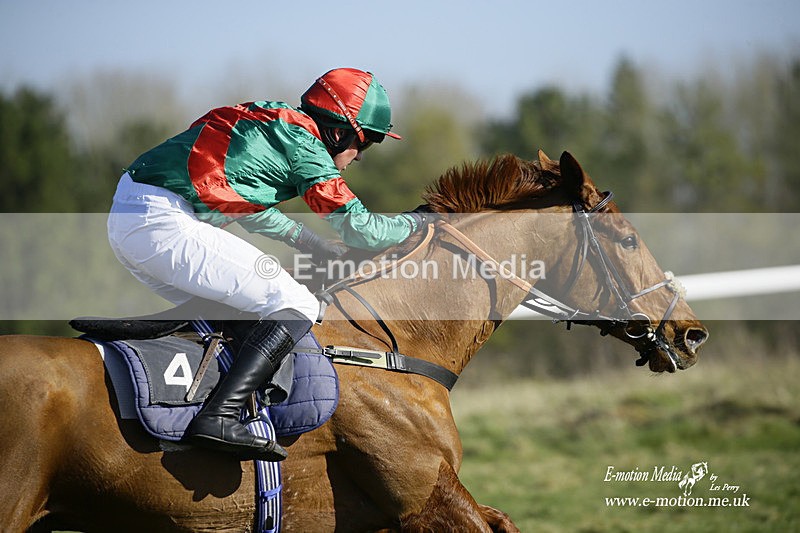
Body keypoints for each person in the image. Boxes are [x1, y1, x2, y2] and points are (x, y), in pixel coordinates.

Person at [107, 68, 428, 462]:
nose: (360, 155)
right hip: (162, 221)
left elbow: (243, 203)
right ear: (340, 131)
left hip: (132, 217)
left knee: (238, 307)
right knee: (298, 302)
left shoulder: (273, 119)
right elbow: (361, 229)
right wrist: (421, 224)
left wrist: (309, 242)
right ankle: (219, 416)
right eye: (367, 141)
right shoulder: (305, 146)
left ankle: (210, 410)